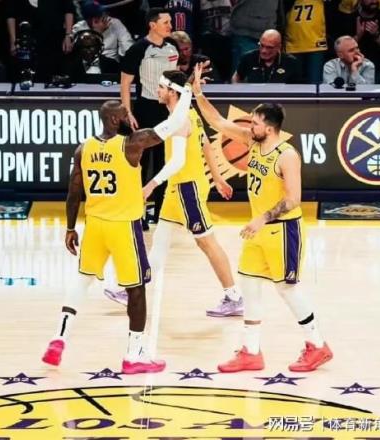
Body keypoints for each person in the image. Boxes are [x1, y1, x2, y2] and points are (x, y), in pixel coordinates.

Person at [42, 82, 193, 374]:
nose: (130, 117)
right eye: (125, 114)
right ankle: (135, 355)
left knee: (82, 281)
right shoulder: (131, 144)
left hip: (95, 225)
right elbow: (173, 124)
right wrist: (186, 91)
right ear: (114, 120)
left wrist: (70, 228)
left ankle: (59, 338)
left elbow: (74, 193)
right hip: (123, 227)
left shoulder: (83, 148)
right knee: (136, 290)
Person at [192, 62, 333, 372]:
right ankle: (251, 351)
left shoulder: (287, 155)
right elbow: (216, 121)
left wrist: (262, 218)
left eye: (254, 123)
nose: (249, 126)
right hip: (258, 232)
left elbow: (293, 199)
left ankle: (318, 345)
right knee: (249, 282)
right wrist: (198, 93)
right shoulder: (251, 141)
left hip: (282, 230)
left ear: (268, 128)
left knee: (287, 289)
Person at [104, 70, 244, 317]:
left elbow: (178, 161)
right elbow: (205, 144)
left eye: (161, 87)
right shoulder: (187, 113)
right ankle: (132, 288)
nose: (157, 90)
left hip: (187, 188)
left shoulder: (181, 120)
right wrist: (217, 177)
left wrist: (151, 185)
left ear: (172, 92)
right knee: (160, 241)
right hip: (177, 188)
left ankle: (234, 297)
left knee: (207, 242)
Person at [121, 8, 179, 229]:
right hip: (145, 109)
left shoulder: (172, 47)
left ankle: (163, 211)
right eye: (166, 22)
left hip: (167, 112)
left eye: (170, 22)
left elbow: (176, 82)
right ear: (152, 25)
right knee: (142, 163)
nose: (170, 26)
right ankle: (139, 212)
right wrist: (128, 112)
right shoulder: (138, 49)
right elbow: (125, 83)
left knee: (165, 162)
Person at [73, 1, 133, 74]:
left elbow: (128, 49)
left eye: (102, 13)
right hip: (87, 68)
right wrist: (97, 33)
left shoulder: (115, 23)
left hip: (111, 67)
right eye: (99, 15)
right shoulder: (78, 28)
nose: (104, 15)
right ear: (91, 19)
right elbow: (82, 55)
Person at [232, 29, 302, 84]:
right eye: (262, 45)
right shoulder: (248, 58)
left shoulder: (291, 62)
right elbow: (237, 76)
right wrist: (237, 91)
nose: (264, 51)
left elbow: (298, 87)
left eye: (269, 47)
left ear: (278, 47)